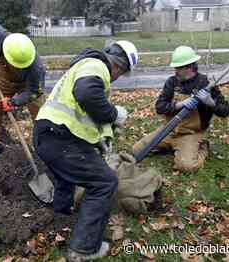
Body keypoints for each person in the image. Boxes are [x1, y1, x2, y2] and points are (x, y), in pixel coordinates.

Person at [33, 41, 138, 261]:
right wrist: (113, 114)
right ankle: (83, 249)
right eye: (121, 74)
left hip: (46, 135)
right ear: (119, 67)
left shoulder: (82, 66)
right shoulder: (97, 64)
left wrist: (97, 140)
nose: (117, 78)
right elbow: (87, 94)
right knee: (104, 183)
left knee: (64, 177)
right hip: (60, 138)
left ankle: (61, 222)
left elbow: (79, 113)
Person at [133, 45, 229, 172]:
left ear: (189, 67)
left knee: (186, 166)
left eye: (178, 68)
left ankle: (202, 147)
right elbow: (159, 107)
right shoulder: (172, 82)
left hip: (190, 134)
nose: (175, 71)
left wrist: (211, 103)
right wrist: (180, 104)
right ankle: (173, 147)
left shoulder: (205, 84)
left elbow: (225, 111)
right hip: (169, 130)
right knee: (136, 151)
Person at [0, 15, 45, 158]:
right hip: (2, 78)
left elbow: (35, 92)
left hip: (27, 85)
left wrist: (14, 102)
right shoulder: (0, 37)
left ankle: (46, 150)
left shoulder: (37, 69)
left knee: (42, 114)